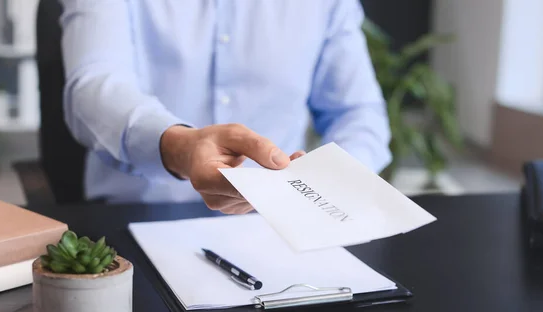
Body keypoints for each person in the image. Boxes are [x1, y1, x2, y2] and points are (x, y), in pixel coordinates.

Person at [59, 0, 392, 214]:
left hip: (279, 227)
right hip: (136, 218)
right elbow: (93, 88)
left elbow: (359, 113)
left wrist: (327, 184)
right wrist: (180, 148)